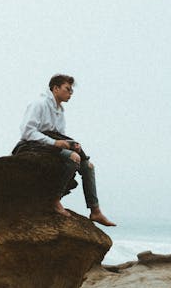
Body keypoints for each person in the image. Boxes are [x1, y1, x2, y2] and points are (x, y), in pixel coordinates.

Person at [12, 74, 116, 226]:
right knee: (73, 157)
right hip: (31, 146)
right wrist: (54, 142)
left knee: (88, 165)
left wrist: (71, 143)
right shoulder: (39, 104)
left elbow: (59, 135)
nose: (70, 93)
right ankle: (54, 200)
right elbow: (27, 132)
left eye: (71, 90)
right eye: (67, 89)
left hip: (48, 147)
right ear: (55, 88)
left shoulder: (60, 110)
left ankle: (95, 210)